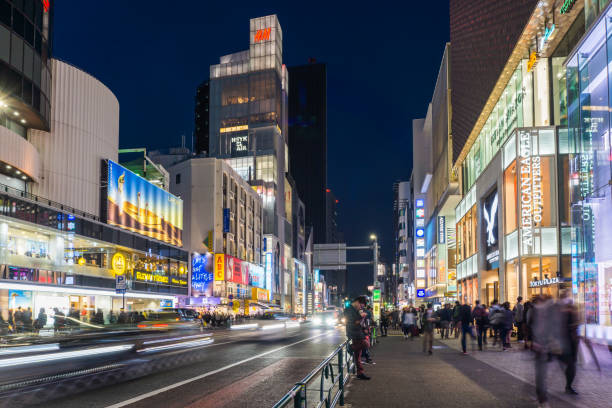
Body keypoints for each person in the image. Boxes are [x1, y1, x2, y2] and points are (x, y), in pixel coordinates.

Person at [558, 290, 579, 395]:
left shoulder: (570, 310)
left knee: (571, 365)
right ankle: (568, 386)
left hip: (571, 342)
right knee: (571, 365)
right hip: (564, 342)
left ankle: (568, 386)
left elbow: (575, 325)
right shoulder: (561, 311)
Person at [344, 296, 370, 380]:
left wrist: (364, 328)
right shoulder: (348, 309)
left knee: (358, 355)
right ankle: (350, 347)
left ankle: (360, 373)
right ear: (358, 302)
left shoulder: (356, 310)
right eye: (361, 306)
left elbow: (359, 322)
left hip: (359, 332)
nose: (361, 308)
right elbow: (353, 322)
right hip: (353, 333)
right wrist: (361, 316)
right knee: (366, 344)